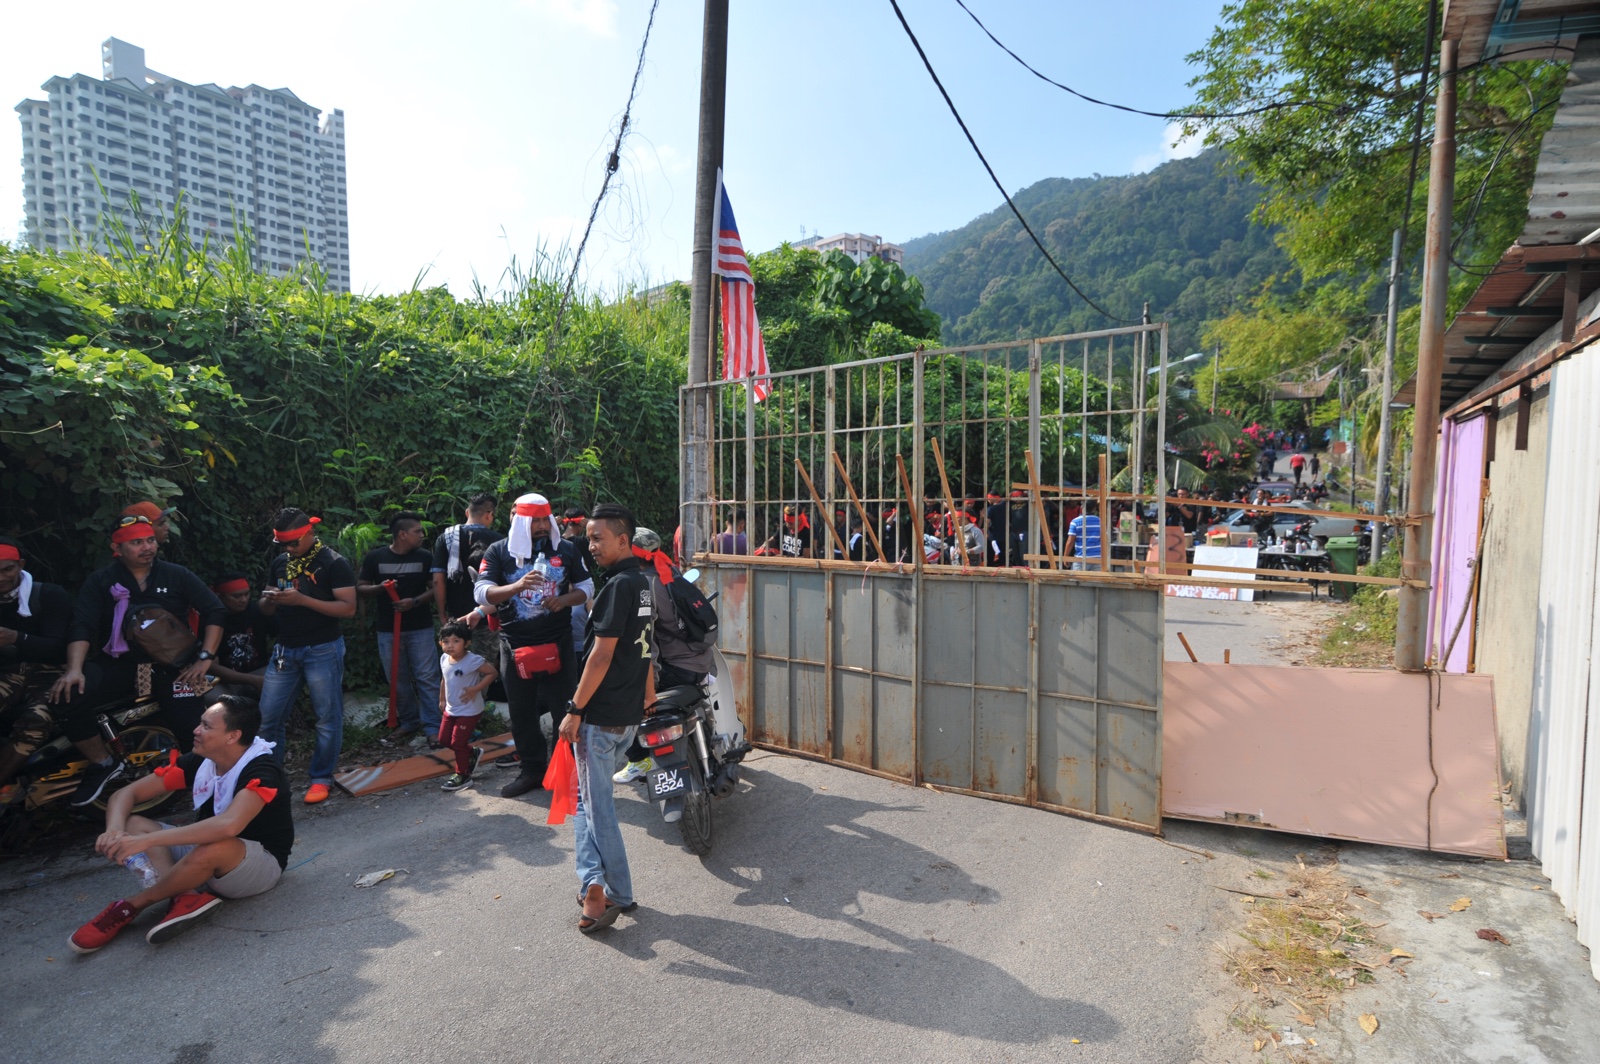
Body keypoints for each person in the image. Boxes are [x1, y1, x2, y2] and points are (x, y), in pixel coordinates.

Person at [68, 695, 294, 953]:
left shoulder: (263, 770)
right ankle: (184, 897)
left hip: (259, 865)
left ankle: (132, 905)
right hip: (208, 853)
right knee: (133, 823)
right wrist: (114, 831)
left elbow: (229, 826)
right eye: (200, 723)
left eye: (207, 727)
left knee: (215, 844)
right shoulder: (202, 761)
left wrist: (147, 841)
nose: (196, 731)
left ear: (233, 736)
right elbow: (125, 795)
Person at [51, 515, 225, 805]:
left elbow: (214, 610)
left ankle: (213, 796)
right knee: (67, 696)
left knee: (196, 732)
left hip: (175, 668)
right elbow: (83, 625)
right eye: (136, 543)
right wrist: (74, 670)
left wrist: (205, 658)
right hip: (123, 666)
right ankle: (103, 763)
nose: (147, 547)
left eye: (150, 540)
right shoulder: (101, 581)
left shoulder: (176, 574)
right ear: (116, 548)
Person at [559, 503, 655, 934]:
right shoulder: (645, 582)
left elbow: (601, 655)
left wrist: (574, 710)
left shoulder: (618, 586)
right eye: (589, 537)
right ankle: (597, 885)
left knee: (596, 809)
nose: (590, 544)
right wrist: (647, 698)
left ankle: (611, 890)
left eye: (598, 537)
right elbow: (648, 647)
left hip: (600, 717)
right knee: (586, 802)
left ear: (623, 539)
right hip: (627, 714)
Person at [474, 492, 593, 799]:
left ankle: (565, 773)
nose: (541, 526)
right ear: (522, 521)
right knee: (522, 713)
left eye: (545, 520)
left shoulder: (565, 549)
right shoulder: (499, 551)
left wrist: (564, 599)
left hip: (559, 642)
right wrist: (516, 586)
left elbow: (586, 586)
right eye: (535, 520)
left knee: (564, 711)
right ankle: (532, 771)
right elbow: (481, 592)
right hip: (514, 646)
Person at [257, 509, 356, 805]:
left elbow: (348, 608)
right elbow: (264, 610)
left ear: (310, 533)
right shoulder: (280, 562)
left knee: (327, 717)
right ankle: (268, 778)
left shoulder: (333, 562)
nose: (288, 549)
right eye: (283, 545)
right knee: (266, 719)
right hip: (286, 648)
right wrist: (269, 599)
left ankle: (321, 777)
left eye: (293, 544)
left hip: (323, 647)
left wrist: (302, 600)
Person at [613, 527, 715, 785]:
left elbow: (647, 645)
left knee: (619, 694)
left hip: (674, 669)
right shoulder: (670, 574)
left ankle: (637, 758)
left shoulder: (642, 586)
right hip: (700, 660)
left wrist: (649, 686)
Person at [358, 511, 441, 741]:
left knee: (427, 677)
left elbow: (436, 589)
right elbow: (361, 587)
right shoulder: (376, 558)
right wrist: (379, 589)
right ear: (402, 534)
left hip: (420, 627)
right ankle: (409, 722)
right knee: (397, 678)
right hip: (388, 630)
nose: (422, 535)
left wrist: (413, 602)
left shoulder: (425, 557)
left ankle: (434, 728)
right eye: (417, 531)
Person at [0, 537, 74, 790]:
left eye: (6, 569)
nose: (0, 577)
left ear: (20, 565)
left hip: (50, 674)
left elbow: (59, 648)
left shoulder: (50, 595)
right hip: (7, 673)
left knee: (37, 719)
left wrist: (17, 638)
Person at [436, 620, 497, 792]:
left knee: (457, 742)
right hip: (451, 708)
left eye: (456, 641)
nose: (450, 645)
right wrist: (442, 699)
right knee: (444, 739)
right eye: (446, 641)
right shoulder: (444, 659)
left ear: (466, 643)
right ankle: (472, 753)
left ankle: (463, 775)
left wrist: (475, 689)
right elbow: (444, 680)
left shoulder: (472, 660)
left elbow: (492, 672)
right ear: (440, 642)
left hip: (469, 710)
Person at [206, 573, 276, 696]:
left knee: (283, 676)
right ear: (220, 596)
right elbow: (211, 666)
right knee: (202, 692)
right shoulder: (209, 619)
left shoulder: (256, 611)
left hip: (258, 673)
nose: (243, 600)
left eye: (246, 594)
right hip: (224, 681)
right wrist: (250, 680)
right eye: (237, 596)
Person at [560, 506, 598, 656]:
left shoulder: (556, 541)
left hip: (560, 589)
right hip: (582, 590)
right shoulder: (584, 542)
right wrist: (592, 527)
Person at [1064, 503, 1102, 571]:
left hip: (1081, 559)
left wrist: (1065, 556)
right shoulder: (1100, 521)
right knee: (1096, 581)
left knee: (1077, 581)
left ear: (1081, 508)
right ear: (1095, 509)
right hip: (1097, 559)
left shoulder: (1075, 522)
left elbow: (1070, 541)